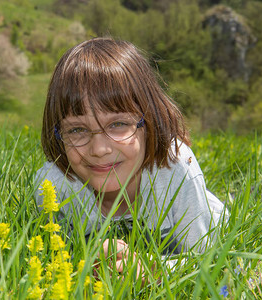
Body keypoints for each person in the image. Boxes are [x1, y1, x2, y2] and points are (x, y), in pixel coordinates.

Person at [34, 37, 227, 269]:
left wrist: (150, 269)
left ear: (150, 121)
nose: (99, 150)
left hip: (208, 218)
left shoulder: (174, 168)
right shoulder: (54, 187)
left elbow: (210, 261)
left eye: (118, 124)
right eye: (77, 129)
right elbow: (57, 261)